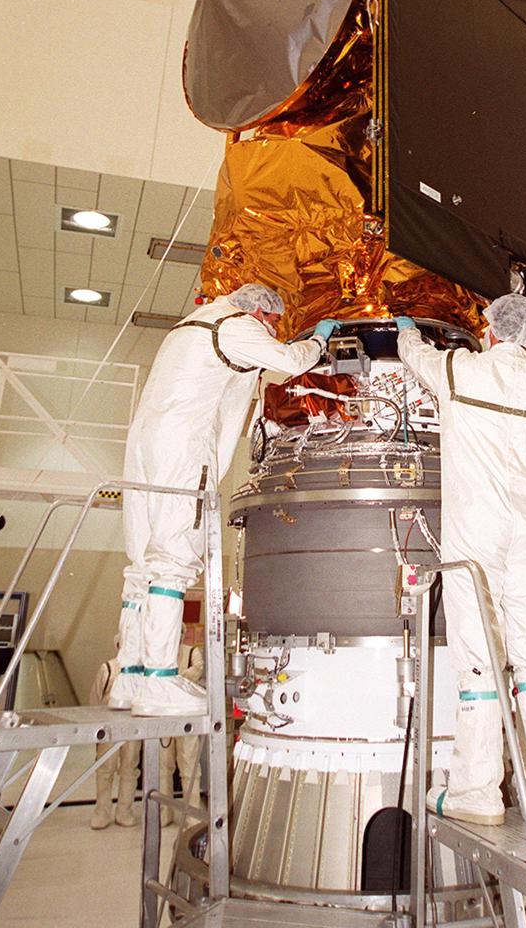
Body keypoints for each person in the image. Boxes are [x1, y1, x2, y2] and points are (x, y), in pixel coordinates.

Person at [396, 295, 526, 825]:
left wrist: (408, 331)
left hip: (478, 536)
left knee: (480, 658)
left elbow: (416, 359)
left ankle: (477, 792)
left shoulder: (464, 370)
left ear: (491, 332)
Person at [111, 283, 337, 717]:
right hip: (183, 449)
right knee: (173, 558)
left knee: (141, 563)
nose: (271, 330)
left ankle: (129, 677)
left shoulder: (191, 327)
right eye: (271, 323)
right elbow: (290, 361)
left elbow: (244, 366)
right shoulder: (236, 325)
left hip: (145, 446)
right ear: (258, 312)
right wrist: (319, 338)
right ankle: (159, 679)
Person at [89, 647, 140, 829]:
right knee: (105, 769)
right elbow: (95, 699)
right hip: (109, 727)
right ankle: (102, 811)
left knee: (129, 768)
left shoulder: (142, 670)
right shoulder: (108, 668)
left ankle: (124, 810)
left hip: (133, 728)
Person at [159, 637, 204, 826]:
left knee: (189, 766)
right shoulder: (159, 654)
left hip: (187, 718)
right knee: (163, 767)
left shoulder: (192, 653)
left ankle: (191, 813)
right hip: (163, 715)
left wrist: (172, 679)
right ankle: (164, 812)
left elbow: (195, 672)